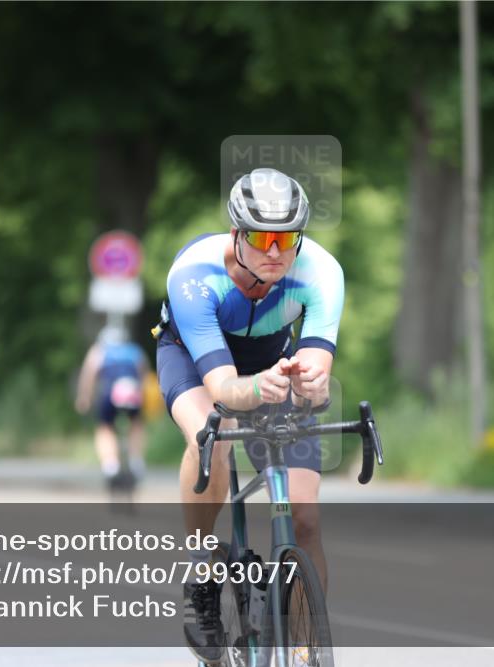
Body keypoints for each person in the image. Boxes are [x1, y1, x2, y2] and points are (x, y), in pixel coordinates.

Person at [154, 168, 343, 663]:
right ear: (237, 233)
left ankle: (306, 650)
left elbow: (317, 366)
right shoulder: (194, 275)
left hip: (271, 362)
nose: (276, 252)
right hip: (197, 360)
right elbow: (222, 388)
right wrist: (255, 389)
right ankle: (200, 566)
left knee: (305, 515)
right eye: (262, 238)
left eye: (287, 239)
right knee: (211, 438)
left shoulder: (321, 272)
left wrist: (311, 382)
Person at [75, 325, 149, 489]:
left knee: (105, 427)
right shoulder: (134, 350)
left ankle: (110, 465)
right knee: (136, 423)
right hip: (132, 391)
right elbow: (144, 375)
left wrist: (84, 398)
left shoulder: (99, 350)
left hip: (110, 393)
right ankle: (136, 460)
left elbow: (89, 374)